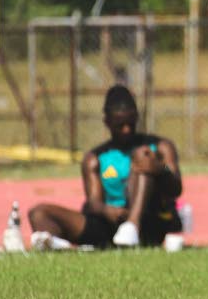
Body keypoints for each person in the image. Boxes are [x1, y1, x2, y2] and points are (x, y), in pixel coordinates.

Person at [28, 85, 183, 250]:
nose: (126, 130)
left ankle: (132, 227)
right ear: (107, 122)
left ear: (137, 117)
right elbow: (93, 202)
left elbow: (177, 189)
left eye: (131, 123)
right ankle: (62, 246)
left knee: (142, 157)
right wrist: (106, 210)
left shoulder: (158, 147)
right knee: (39, 213)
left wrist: (160, 168)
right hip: (109, 223)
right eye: (120, 125)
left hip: (149, 221)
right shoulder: (95, 159)